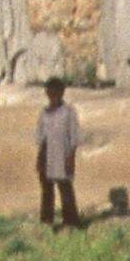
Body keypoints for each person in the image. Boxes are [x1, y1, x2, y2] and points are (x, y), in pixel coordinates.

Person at [33, 77, 85, 228]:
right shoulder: (44, 113)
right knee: (47, 191)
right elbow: (41, 138)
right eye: (50, 92)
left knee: (65, 190)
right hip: (47, 157)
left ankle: (71, 222)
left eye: (56, 92)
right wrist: (39, 159)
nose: (53, 95)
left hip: (62, 156)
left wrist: (70, 158)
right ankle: (47, 222)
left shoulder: (69, 112)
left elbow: (74, 136)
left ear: (62, 93)